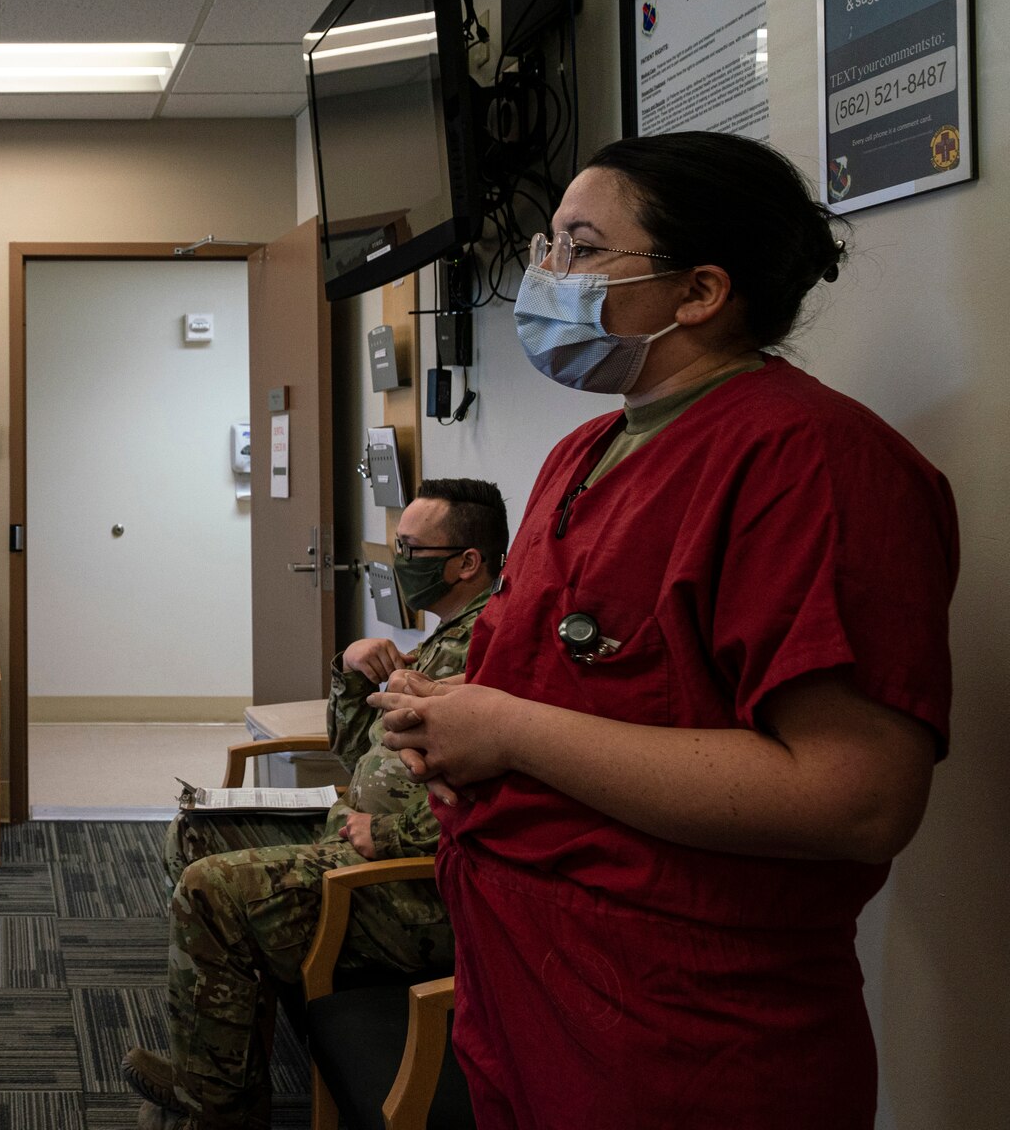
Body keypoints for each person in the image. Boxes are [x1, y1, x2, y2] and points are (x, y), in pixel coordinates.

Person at [372, 132, 958, 1130]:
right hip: (523, 985)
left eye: (580, 248)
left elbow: (852, 798)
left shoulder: (811, 463)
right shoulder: (581, 453)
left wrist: (508, 731)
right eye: (547, 246)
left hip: (681, 1031)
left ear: (697, 291)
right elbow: (584, 680)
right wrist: (453, 710)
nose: (543, 276)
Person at [128, 481, 505, 1130]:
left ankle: (216, 1110)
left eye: (413, 548)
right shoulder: (444, 638)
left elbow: (499, 790)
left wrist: (387, 833)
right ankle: (218, 1067)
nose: (398, 560)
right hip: (350, 834)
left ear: (468, 562)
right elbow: (360, 755)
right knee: (195, 835)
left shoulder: (496, 649)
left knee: (210, 891)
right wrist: (351, 671)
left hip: (410, 889)